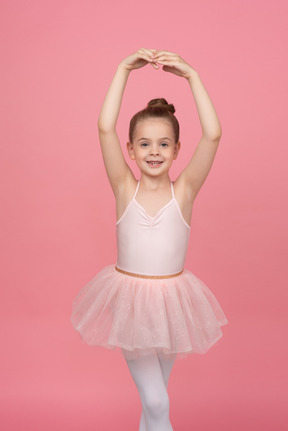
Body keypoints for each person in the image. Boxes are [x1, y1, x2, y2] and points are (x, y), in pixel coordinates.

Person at [71, 48, 228, 431]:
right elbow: (105, 127)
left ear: (176, 150)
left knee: (154, 404)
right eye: (144, 144)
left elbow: (214, 133)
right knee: (157, 401)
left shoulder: (185, 191)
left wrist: (192, 75)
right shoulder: (124, 188)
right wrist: (123, 68)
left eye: (163, 144)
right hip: (133, 306)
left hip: (174, 305)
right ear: (130, 151)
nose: (153, 151)